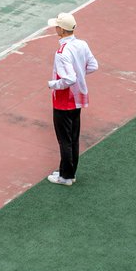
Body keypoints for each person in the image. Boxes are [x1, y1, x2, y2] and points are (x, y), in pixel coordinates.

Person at [46, 11, 99, 186]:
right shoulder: (82, 44)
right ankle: (69, 172)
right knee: (73, 138)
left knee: (64, 140)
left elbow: (69, 79)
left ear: (61, 29)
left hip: (64, 100)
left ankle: (66, 176)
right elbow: (93, 66)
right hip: (78, 98)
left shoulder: (62, 52)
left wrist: (53, 84)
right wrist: (80, 74)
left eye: (57, 26)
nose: (55, 28)